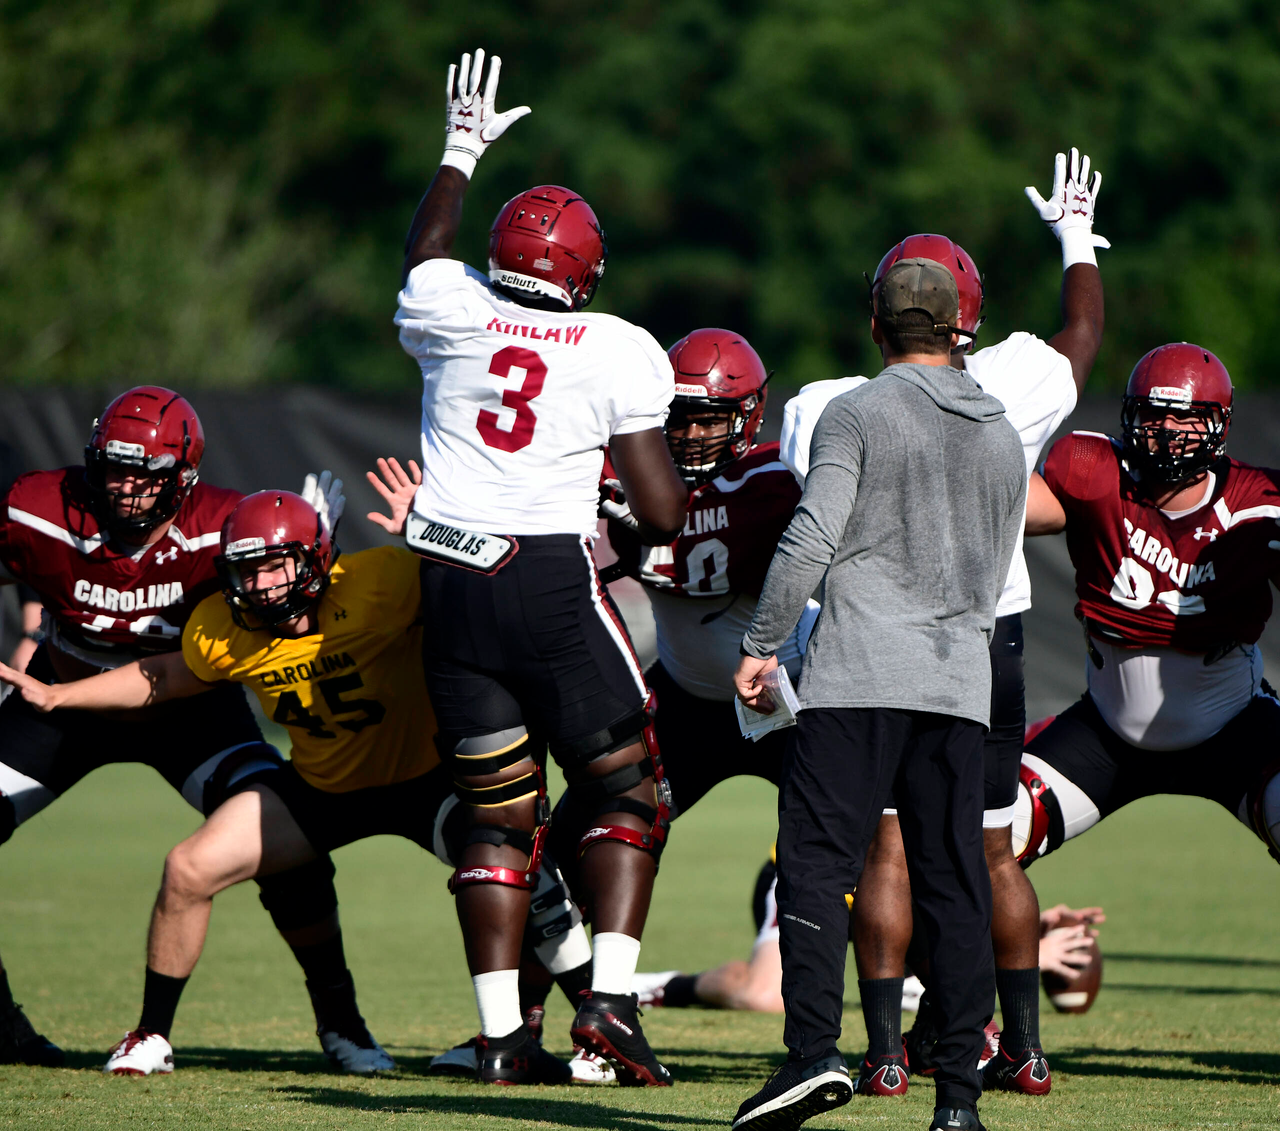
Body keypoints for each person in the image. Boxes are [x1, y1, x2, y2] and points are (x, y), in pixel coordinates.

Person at [0, 477, 595, 1081]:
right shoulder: (224, 627)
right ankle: (152, 1033)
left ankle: (599, 1028)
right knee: (188, 868)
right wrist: (60, 694)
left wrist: (430, 533)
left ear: (316, 559)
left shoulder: (381, 583)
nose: (262, 586)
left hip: (422, 784)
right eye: (247, 572)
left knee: (534, 878)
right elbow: (166, 677)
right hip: (321, 792)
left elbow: (480, 587)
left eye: (277, 567)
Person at [777, 148, 1107, 1098]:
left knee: (883, 845)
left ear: (874, 316)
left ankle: (880, 1053)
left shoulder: (827, 408)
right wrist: (1077, 235)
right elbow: (1081, 334)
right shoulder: (1014, 382)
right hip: (985, 641)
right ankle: (1015, 1050)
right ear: (970, 316)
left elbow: (815, 522)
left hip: (873, 646)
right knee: (982, 849)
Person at [393, 49, 687, 1086]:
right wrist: (643, 526)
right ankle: (607, 1001)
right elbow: (657, 506)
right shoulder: (614, 346)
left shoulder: (450, 306)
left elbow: (424, 257)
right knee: (628, 789)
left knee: (494, 815)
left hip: (448, 581)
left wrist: (459, 150)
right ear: (588, 272)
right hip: (549, 582)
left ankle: (498, 1037)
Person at [731, 257, 1027, 1131]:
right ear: (957, 328)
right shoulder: (1004, 431)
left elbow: (813, 534)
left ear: (876, 327)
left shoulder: (855, 412)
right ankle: (960, 1100)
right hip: (960, 680)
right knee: (955, 881)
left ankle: (814, 1053)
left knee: (818, 863)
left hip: (860, 672)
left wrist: (758, 645)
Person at [0, 387, 377, 1073]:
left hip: (188, 713)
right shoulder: (37, 507)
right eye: (114, 468)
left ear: (185, 476)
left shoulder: (221, 525)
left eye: (147, 473)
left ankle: (342, 1022)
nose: (127, 487)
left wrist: (313, 550)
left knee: (282, 841)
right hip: (61, 699)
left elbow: (288, 604)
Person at [1013, 346, 1280, 943]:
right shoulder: (1094, 474)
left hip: (1233, 726)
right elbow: (1000, 508)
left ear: (1219, 425)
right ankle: (956, 1022)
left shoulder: (1258, 505)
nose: (1167, 432)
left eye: (1184, 418)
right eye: (1153, 416)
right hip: (1108, 732)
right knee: (987, 838)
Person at [634, 848, 1103, 1017]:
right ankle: (658, 987)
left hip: (895, 901)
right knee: (766, 996)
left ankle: (903, 987)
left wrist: (1016, 928)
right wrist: (1025, 950)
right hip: (819, 876)